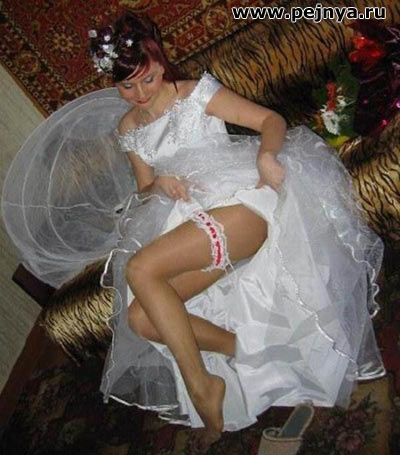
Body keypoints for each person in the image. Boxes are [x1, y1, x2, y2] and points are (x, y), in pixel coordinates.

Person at [2, 11, 385, 452]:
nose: (141, 94)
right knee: (141, 319)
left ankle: (202, 386)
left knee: (141, 270)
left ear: (160, 61)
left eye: (147, 79)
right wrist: (158, 186)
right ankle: (248, 349)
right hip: (190, 224)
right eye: (127, 86)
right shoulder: (129, 129)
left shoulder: (195, 93)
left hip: (241, 204)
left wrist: (266, 157)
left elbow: (270, 121)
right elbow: (144, 191)